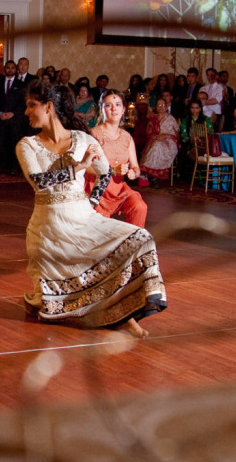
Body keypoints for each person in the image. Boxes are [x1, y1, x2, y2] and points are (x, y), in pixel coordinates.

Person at [16, 82, 165, 337]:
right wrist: (79, 167)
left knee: (142, 238)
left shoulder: (82, 139)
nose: (27, 112)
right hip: (49, 230)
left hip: (83, 218)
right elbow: (40, 182)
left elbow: (105, 172)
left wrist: (92, 203)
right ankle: (113, 316)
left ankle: (123, 312)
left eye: (32, 106)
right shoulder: (26, 145)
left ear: (49, 107)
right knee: (53, 301)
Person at [90, 90, 147, 227]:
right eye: (109, 105)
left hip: (118, 189)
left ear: (123, 110)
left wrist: (134, 172)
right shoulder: (94, 134)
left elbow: (136, 167)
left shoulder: (127, 137)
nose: (114, 109)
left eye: (118, 104)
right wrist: (113, 170)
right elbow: (85, 167)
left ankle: (135, 242)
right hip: (97, 188)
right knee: (101, 226)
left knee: (139, 206)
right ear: (103, 110)